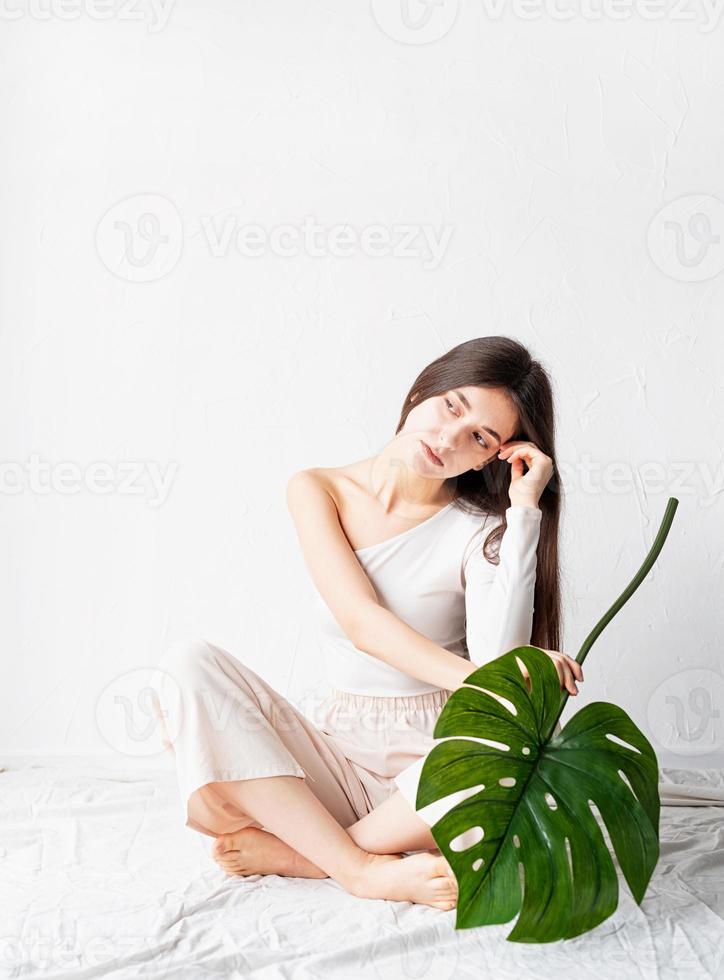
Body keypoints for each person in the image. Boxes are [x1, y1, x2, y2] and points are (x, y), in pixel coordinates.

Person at [151, 336, 583, 912]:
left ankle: (312, 856)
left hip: (436, 766)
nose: (449, 438)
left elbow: (496, 659)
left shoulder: (479, 526)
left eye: (480, 437)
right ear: (421, 390)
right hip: (335, 757)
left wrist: (524, 511)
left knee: (518, 743)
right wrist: (483, 682)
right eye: (452, 406)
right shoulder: (318, 488)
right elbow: (362, 621)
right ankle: (358, 865)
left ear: (493, 459)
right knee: (187, 664)